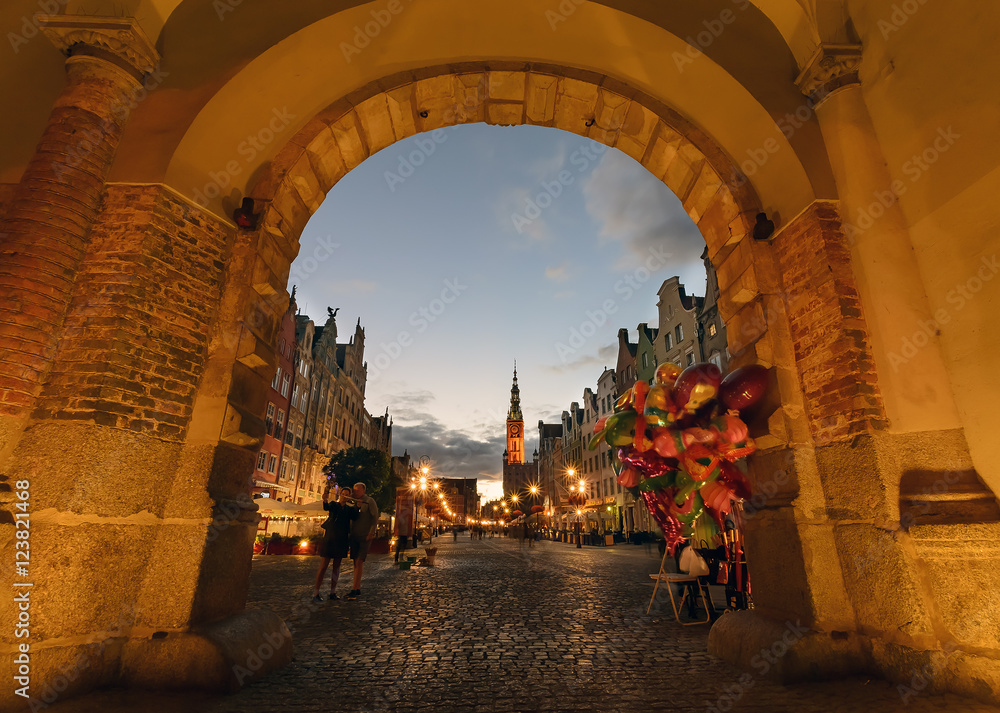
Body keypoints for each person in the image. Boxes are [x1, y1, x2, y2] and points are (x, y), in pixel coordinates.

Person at [313, 486, 358, 602]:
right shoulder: (334, 505)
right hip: (330, 538)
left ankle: (332, 592)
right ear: (340, 495)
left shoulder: (350, 509)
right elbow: (326, 507)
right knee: (323, 566)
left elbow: (356, 517)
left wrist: (359, 505)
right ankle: (316, 593)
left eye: (347, 494)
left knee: (336, 567)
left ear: (349, 497)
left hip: (341, 539)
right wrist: (324, 499)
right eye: (343, 493)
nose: (344, 496)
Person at [347, 482, 380, 600]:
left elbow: (375, 517)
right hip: (354, 536)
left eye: (358, 490)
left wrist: (371, 532)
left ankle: (354, 588)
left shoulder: (369, 501)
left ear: (363, 491)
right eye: (354, 490)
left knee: (359, 561)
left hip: (365, 536)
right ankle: (357, 588)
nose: (355, 492)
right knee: (355, 562)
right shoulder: (353, 502)